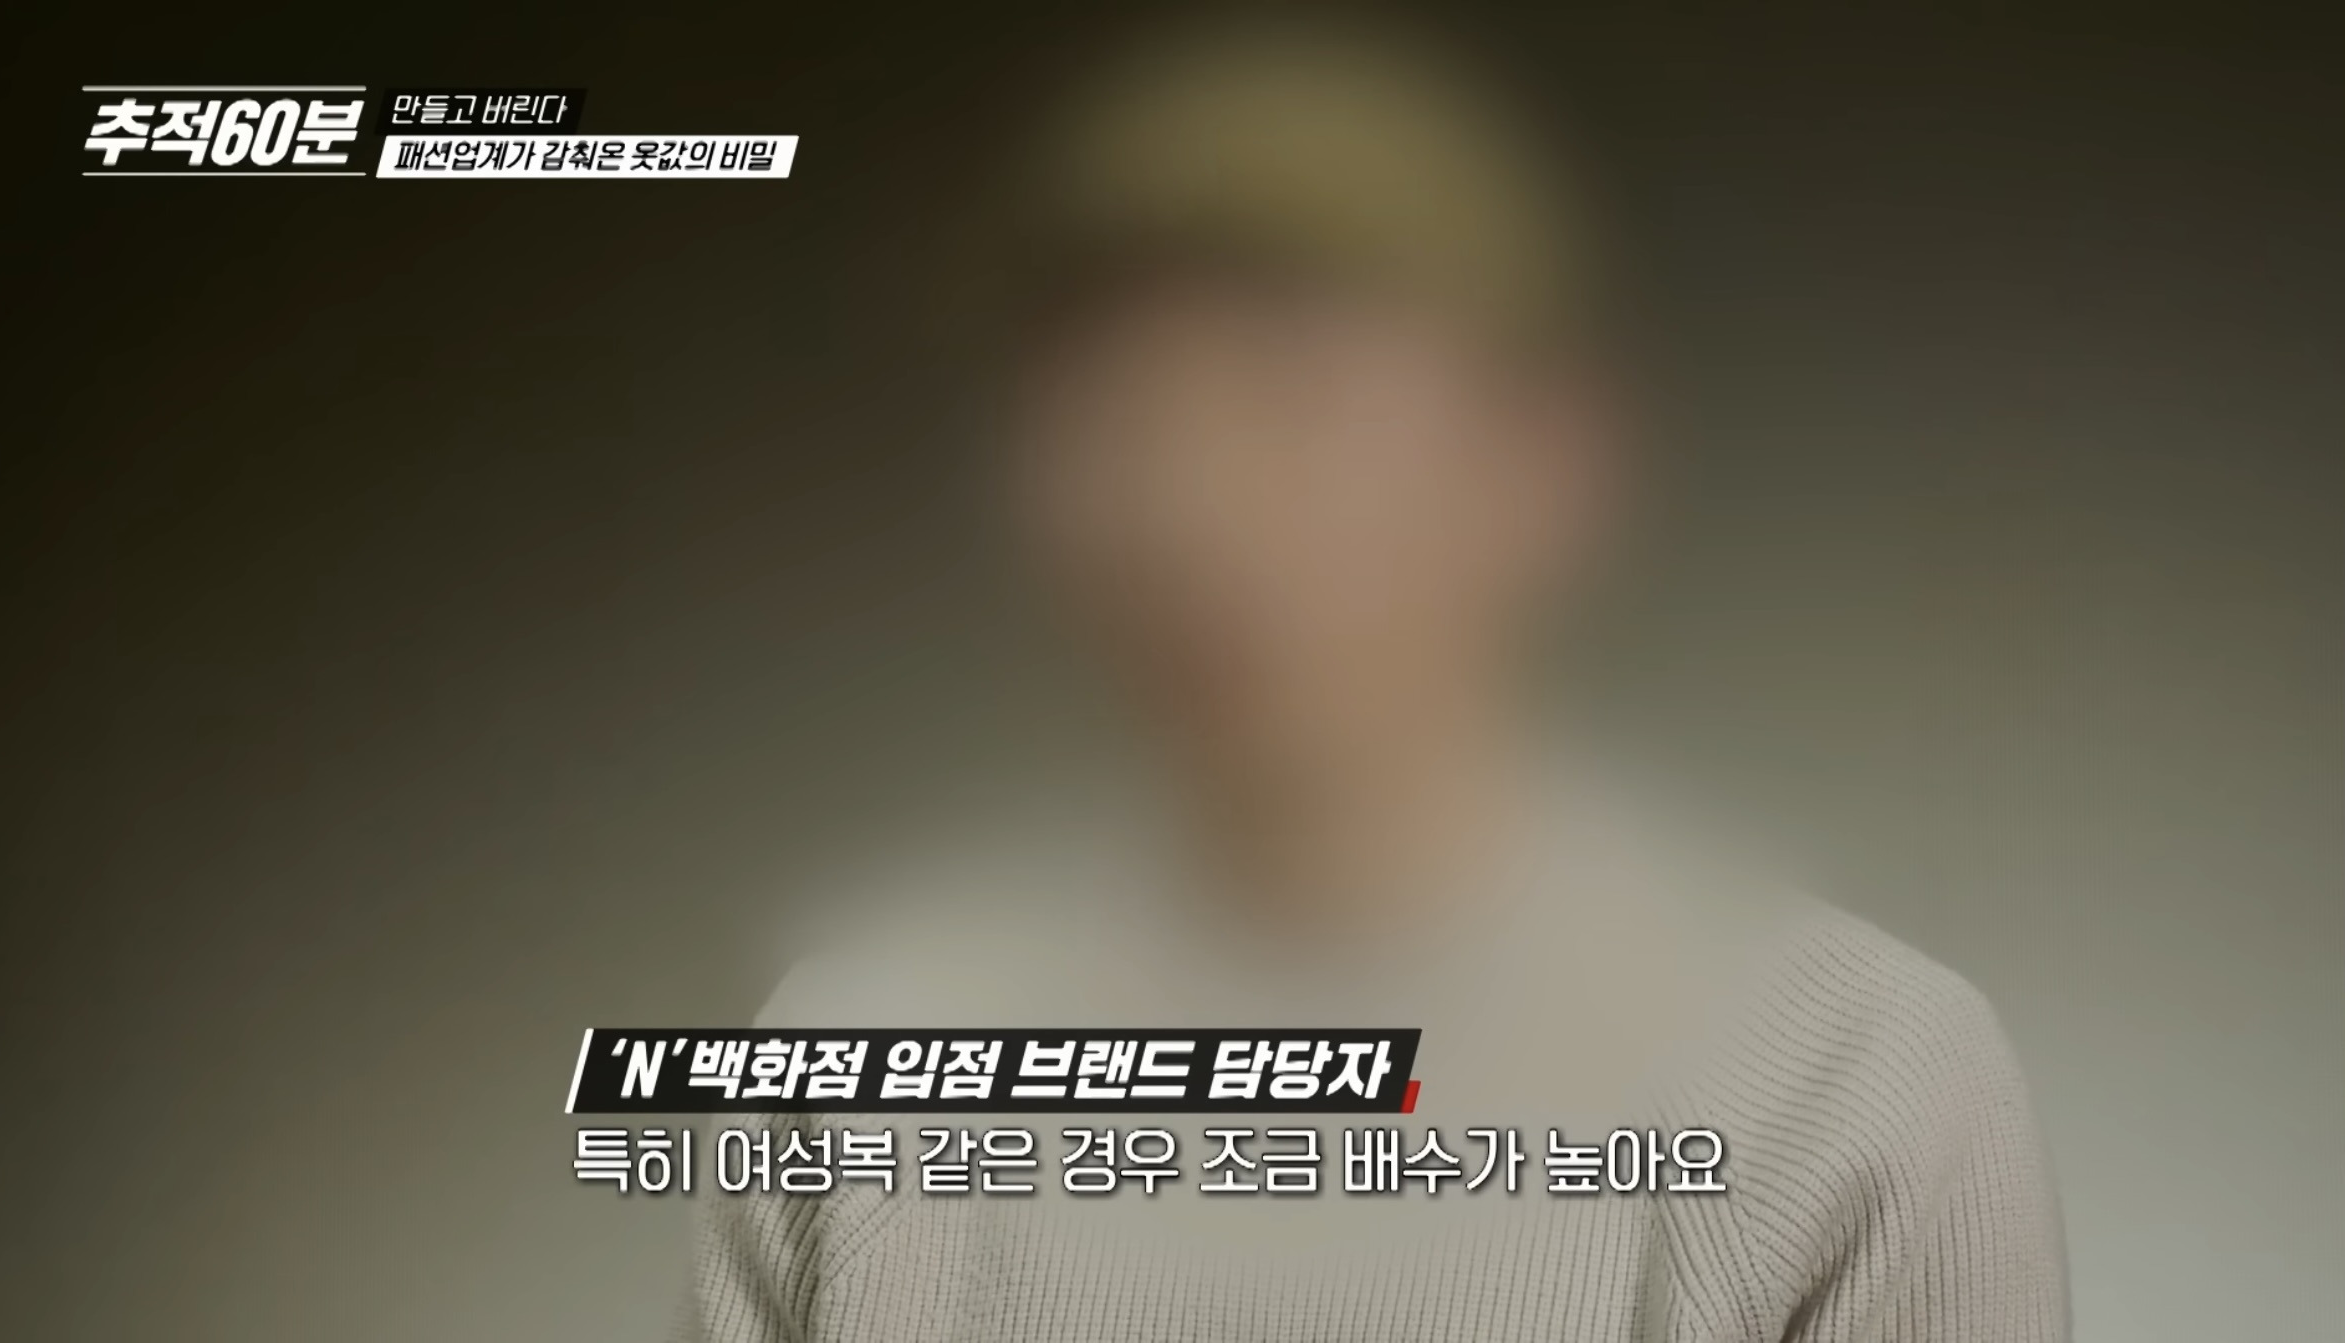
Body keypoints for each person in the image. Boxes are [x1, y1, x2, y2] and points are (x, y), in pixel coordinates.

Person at [678, 15, 2069, 1341]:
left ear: (1548, 453)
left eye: (1286, 388)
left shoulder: (1856, 1080)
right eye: (1108, 402)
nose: (1181, 503)